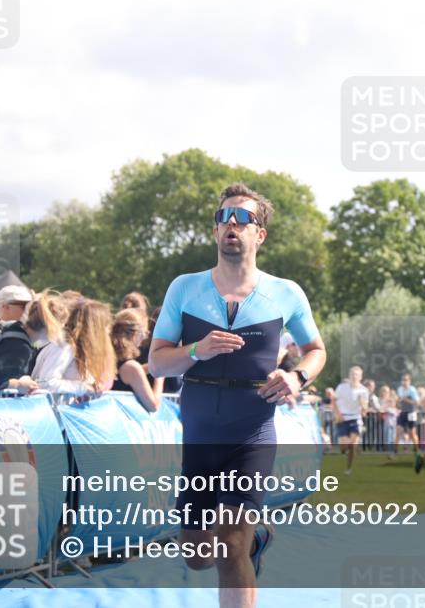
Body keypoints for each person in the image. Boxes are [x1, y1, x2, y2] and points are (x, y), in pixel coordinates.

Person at [147, 182, 326, 606]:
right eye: (224, 217)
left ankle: (244, 548)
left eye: (243, 218)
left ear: (259, 234)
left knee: (229, 545)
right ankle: (254, 546)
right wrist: (197, 350)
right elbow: (156, 363)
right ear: (214, 232)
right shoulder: (184, 288)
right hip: (201, 434)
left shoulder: (287, 293)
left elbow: (317, 351)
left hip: (252, 433)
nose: (232, 223)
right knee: (197, 556)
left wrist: (298, 377)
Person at [32, 297, 115, 399]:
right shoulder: (64, 347)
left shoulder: (78, 348)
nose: (107, 331)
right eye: (105, 326)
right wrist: (84, 388)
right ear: (94, 327)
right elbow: (46, 383)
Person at [111, 308, 163, 411]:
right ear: (135, 333)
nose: (145, 337)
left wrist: (151, 366)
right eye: (144, 332)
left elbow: (126, 374)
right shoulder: (131, 367)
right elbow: (154, 406)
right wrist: (160, 375)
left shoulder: (111, 357)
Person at [334, 365, 369, 474]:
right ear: (349, 375)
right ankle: (346, 448)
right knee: (343, 447)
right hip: (343, 418)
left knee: (352, 446)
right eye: (352, 374)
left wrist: (362, 402)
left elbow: (365, 409)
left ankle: (348, 469)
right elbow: (334, 401)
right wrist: (337, 414)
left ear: (360, 377)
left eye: (356, 375)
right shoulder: (341, 387)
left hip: (355, 418)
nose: (354, 376)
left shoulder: (364, 390)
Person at [395, 373, 421, 454]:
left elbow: (417, 403)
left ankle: (417, 450)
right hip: (403, 412)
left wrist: (406, 400)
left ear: (409, 381)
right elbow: (399, 400)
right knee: (398, 431)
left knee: (412, 433)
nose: (404, 382)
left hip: (411, 413)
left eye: (406, 380)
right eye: (402, 380)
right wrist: (398, 402)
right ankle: (395, 451)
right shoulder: (399, 389)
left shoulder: (412, 390)